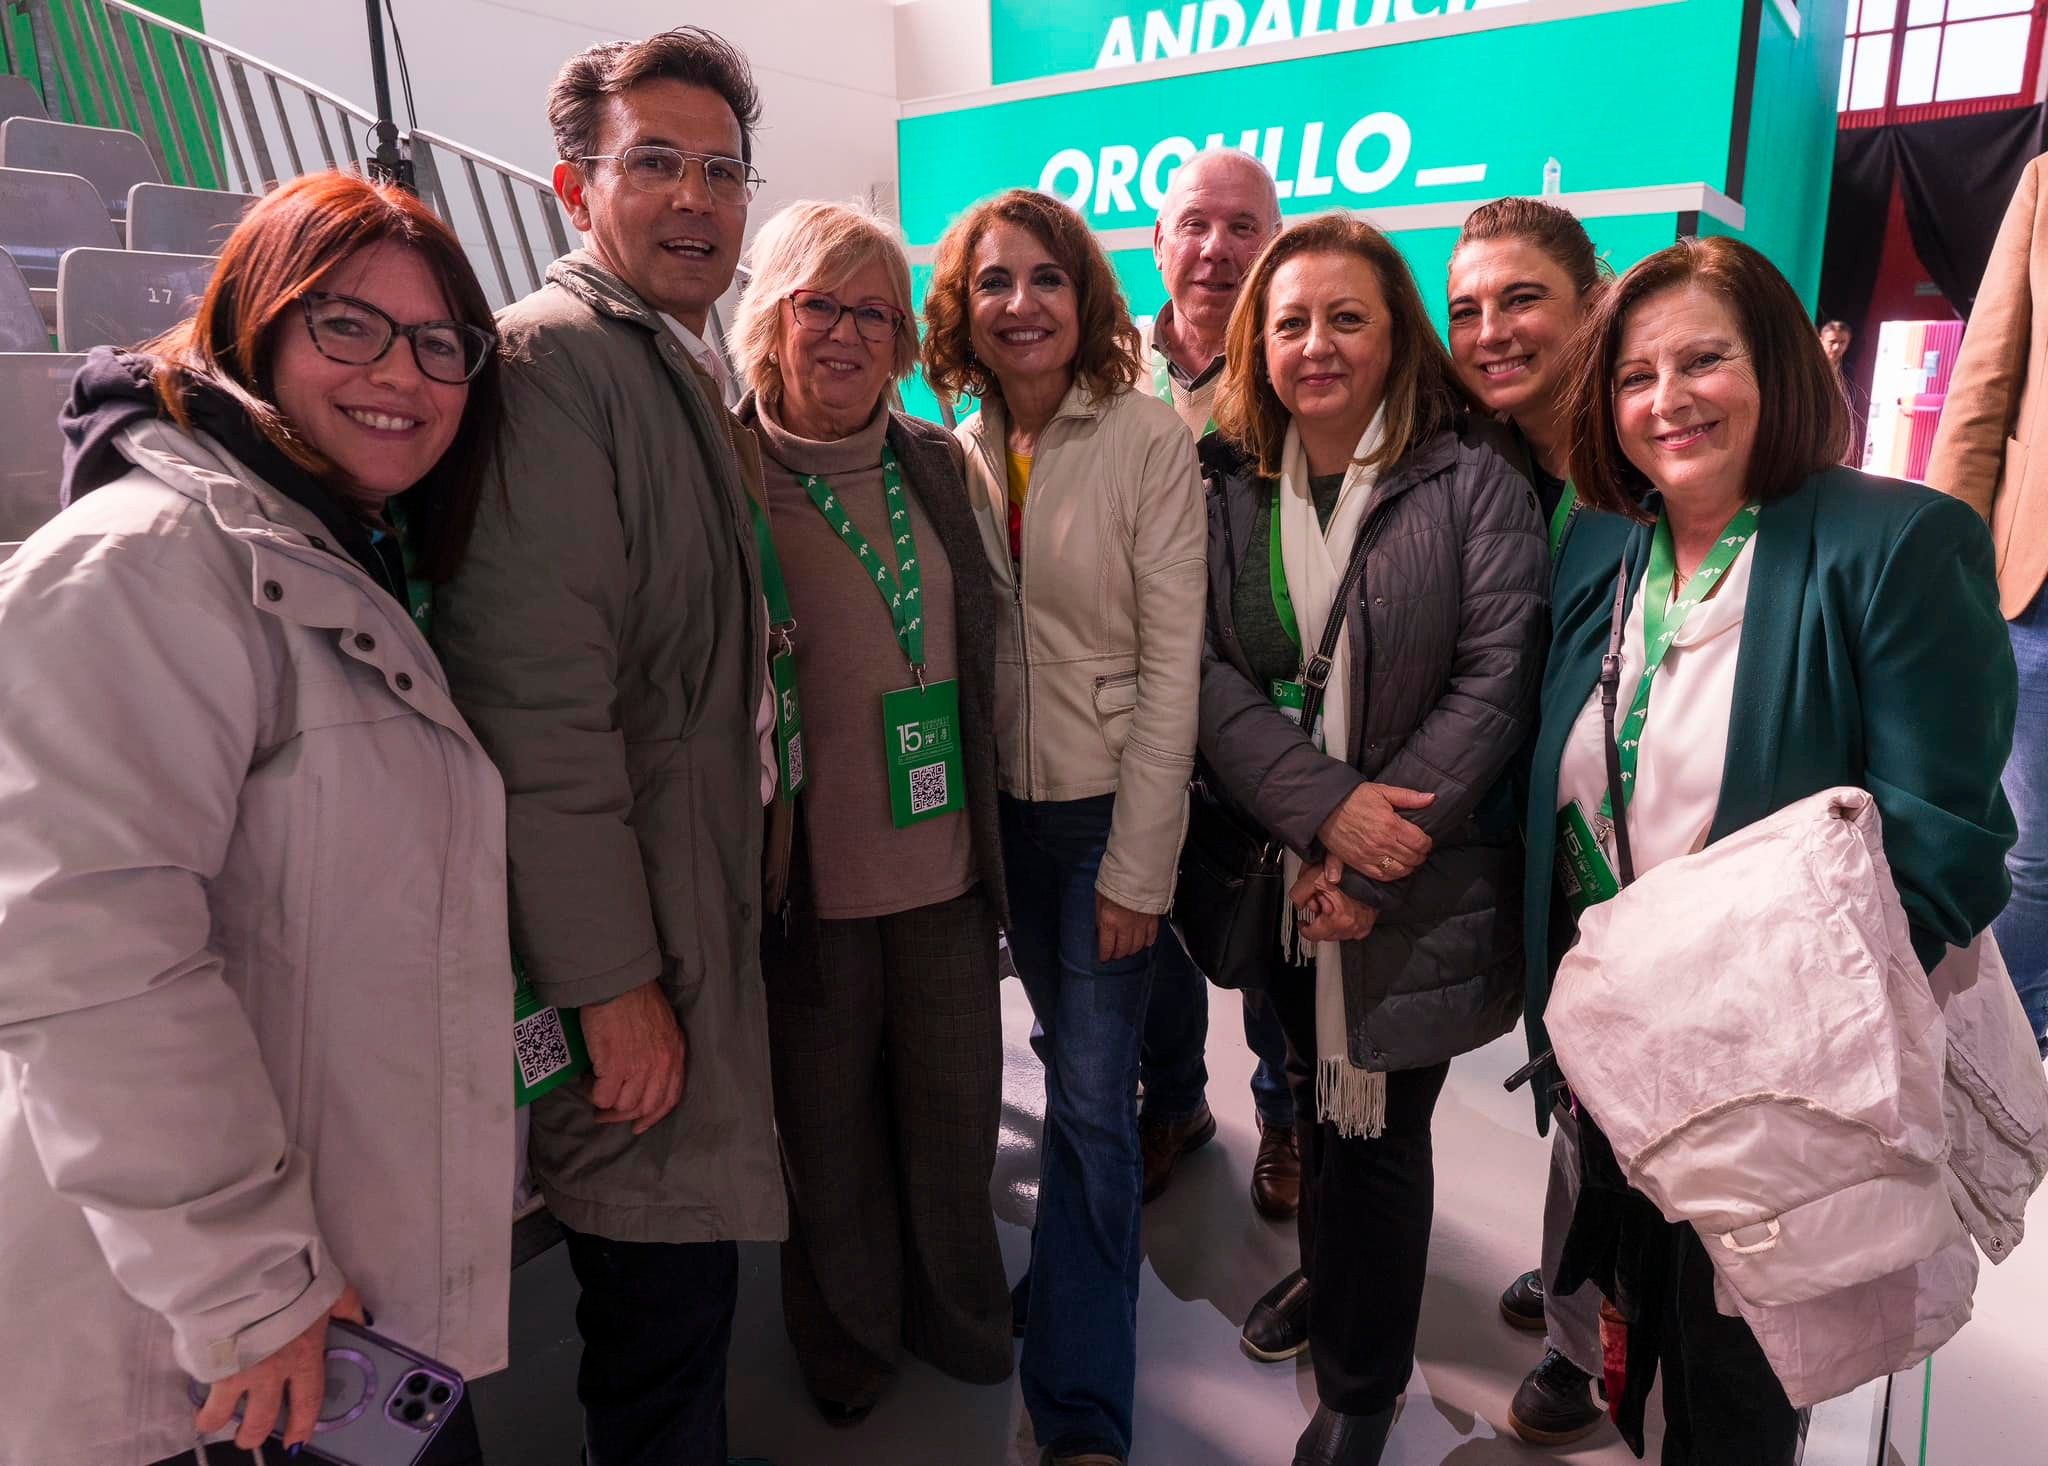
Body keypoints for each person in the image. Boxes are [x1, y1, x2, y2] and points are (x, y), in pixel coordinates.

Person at [0, 171, 510, 1465]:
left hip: (327, 1319)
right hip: (218, 1355)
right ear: (255, 327)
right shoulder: (143, 556)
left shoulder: (327, 551)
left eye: (439, 342)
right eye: (349, 324)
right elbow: (88, 964)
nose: (403, 370)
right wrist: (250, 1289)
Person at [1524, 236, 2015, 1464]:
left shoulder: (1892, 543)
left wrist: (1758, 1023)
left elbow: (1946, 851)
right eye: (1633, 375)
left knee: (1739, 1384)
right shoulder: (1596, 538)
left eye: (1703, 359)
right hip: (1619, 1057)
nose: (1665, 399)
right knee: (1642, 1330)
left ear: (1778, 367)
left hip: (1776, 1079)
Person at [432, 28, 785, 1466]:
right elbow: (538, 718)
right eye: (656, 164)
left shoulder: (676, 361)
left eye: (721, 169)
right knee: (653, 1302)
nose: (695, 197)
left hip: (693, 893)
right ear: (575, 189)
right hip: (636, 942)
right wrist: (612, 986)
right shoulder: (554, 366)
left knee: (684, 1298)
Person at [1201, 213, 1546, 1466]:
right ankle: (1331, 1281)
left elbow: (1495, 679)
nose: (1315, 344)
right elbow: (1202, 675)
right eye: (1289, 320)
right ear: (1258, 341)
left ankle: (1363, 1376)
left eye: (1346, 317)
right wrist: (1313, 813)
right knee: (1304, 1086)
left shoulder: (1472, 481)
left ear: (1397, 334)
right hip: (1280, 864)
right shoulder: (1225, 479)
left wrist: (1365, 844)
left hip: (1408, 877)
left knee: (1381, 1130)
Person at [921, 187, 1207, 1466]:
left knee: (1093, 1103)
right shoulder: (955, 441)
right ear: (961, 308)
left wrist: (1141, 862)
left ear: (1084, 297)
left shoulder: (1147, 439)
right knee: (1062, 1055)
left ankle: (1083, 1404)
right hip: (1006, 816)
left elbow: (1171, 670)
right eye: (993, 283)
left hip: (1106, 814)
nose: (1019, 304)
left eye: (1044, 279)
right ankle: (1075, 1294)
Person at [727, 199, 1013, 1424]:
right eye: (818, 304)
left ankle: (958, 1318)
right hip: (807, 881)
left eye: (874, 313)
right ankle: (846, 1350)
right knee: (827, 1143)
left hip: (945, 866)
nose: (845, 334)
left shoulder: (940, 462)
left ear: (903, 339)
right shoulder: (724, 468)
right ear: (772, 318)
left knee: (954, 1123)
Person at [1444, 195, 1610, 1446]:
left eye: (1519, 300)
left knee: (1624, 1093)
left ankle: (1584, 1338)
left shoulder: (1645, 461)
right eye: (1466, 309)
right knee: (1572, 1093)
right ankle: (1577, 1271)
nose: (1490, 330)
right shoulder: (1493, 461)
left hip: (1636, 843)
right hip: (1536, 837)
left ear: (1590, 300)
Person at [1132, 147, 1302, 1223]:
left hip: (1258, 709)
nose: (1217, 248)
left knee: (1270, 925)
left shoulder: (1301, 373)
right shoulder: (1103, 373)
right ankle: (1176, 1102)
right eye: (1196, 223)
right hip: (1133, 705)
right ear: (1157, 244)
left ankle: (1282, 1114)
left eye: (1244, 227)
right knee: (1143, 919)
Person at [1926, 150, 2048, 1058]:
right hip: (2038, 590)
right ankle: (2007, 1064)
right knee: (2031, 858)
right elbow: (1982, 391)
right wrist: (1948, 571)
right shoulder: (2045, 186)